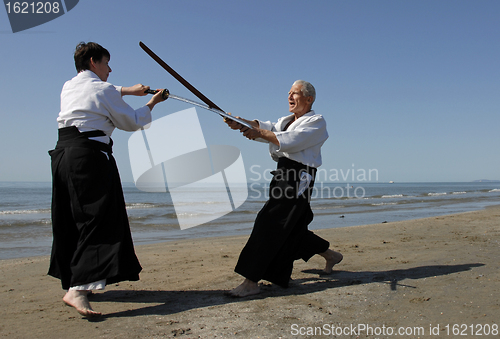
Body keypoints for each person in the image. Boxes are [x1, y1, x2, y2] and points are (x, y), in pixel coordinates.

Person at [48, 42, 166, 316]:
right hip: (89, 157)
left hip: (63, 156)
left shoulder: (69, 86)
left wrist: (127, 90)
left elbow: (101, 92)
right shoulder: (102, 90)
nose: (110, 69)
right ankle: (77, 289)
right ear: (93, 62)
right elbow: (132, 121)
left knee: (74, 218)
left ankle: (78, 282)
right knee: (98, 218)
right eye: (106, 63)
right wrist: (152, 102)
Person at [224, 80, 343, 297]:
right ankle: (330, 255)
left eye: (295, 93)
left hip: (299, 176)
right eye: (288, 93)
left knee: (269, 222)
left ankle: (251, 281)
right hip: (284, 172)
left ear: (309, 99)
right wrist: (240, 122)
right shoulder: (287, 120)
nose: (289, 96)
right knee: (292, 227)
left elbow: (290, 140)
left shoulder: (316, 122)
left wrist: (258, 132)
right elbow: (267, 127)